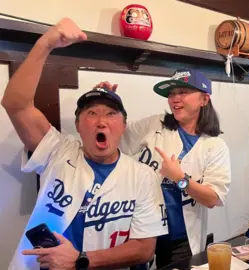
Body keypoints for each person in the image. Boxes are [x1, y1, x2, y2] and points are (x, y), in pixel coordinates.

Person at [2, 18, 167, 270]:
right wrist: (45, 44)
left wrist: (81, 259)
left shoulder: (143, 176)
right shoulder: (57, 151)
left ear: (123, 126)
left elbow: (145, 248)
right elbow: (16, 104)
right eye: (91, 113)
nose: (101, 121)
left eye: (111, 114)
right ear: (78, 126)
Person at [96, 69, 231, 268]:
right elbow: (117, 135)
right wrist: (107, 104)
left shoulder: (215, 146)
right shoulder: (154, 124)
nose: (175, 99)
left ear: (204, 99)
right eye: (171, 94)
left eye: (183, 92)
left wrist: (180, 179)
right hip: (141, 231)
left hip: (180, 238)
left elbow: (213, 198)